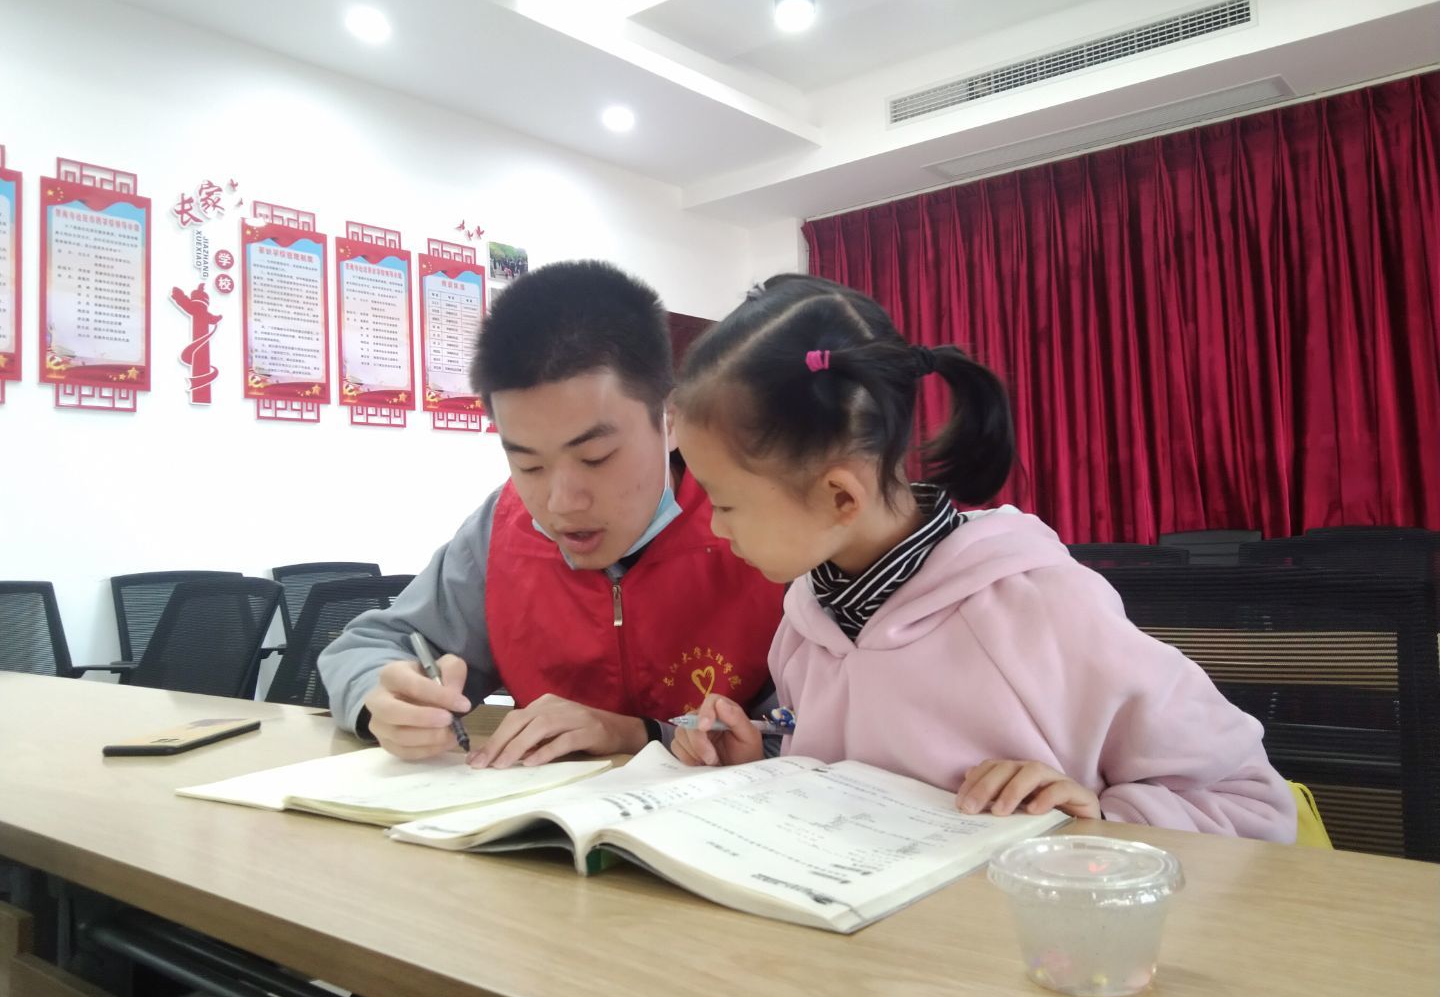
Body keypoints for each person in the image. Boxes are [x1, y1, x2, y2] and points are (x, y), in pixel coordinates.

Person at [668, 274, 1295, 840]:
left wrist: (1098, 822)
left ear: (840, 497)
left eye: (724, 502)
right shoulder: (806, 625)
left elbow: (1250, 804)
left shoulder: (1041, 609)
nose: (715, 527)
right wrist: (760, 765)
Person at [318, 260, 785, 768]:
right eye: (529, 464)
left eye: (595, 458)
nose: (561, 503)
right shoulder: (501, 532)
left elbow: (816, 731)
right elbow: (367, 646)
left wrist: (639, 734)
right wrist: (384, 701)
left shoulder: (758, 526)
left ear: (670, 420)